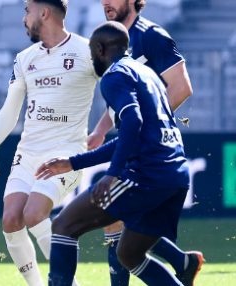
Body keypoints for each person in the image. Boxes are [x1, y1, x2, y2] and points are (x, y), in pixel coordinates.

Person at [36, 21, 192, 286]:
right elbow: (130, 137)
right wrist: (73, 163)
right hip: (176, 174)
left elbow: (132, 120)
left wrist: (112, 175)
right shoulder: (148, 74)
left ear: (100, 49)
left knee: (63, 226)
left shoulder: (114, 75)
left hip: (147, 175)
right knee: (129, 254)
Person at [0, 0, 95, 285]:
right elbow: (10, 110)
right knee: (10, 220)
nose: (23, 19)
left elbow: (120, 88)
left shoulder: (88, 50)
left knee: (34, 213)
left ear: (44, 13)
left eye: (27, 11)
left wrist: (106, 126)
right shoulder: (24, 58)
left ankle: (67, 283)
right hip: (28, 152)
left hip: (66, 153)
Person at [90, 1, 202, 285]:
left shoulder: (152, 35)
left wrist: (150, 126)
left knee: (114, 214)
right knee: (125, 222)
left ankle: (181, 262)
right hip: (135, 143)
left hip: (151, 149)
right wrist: (101, 131)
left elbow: (181, 86)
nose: (106, 1)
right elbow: (124, 101)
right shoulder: (117, 40)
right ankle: (182, 262)